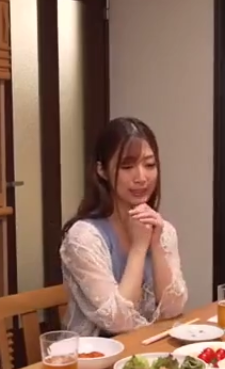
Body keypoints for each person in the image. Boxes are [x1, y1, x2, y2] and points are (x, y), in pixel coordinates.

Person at [60, 117, 188, 337]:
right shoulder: (84, 237)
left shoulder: (162, 230)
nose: (141, 177)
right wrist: (139, 247)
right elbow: (119, 321)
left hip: (146, 352)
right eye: (127, 166)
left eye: (150, 165)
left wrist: (156, 245)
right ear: (102, 170)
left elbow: (173, 309)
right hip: (94, 355)